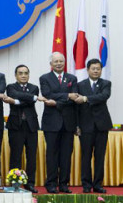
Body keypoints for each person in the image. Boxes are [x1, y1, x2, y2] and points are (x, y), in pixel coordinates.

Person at [39, 52, 78, 193]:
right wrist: (67, 95)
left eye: (61, 61)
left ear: (64, 62)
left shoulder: (72, 78)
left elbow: (75, 98)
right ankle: (50, 183)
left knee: (66, 155)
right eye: (55, 61)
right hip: (51, 123)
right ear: (51, 64)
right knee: (52, 155)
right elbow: (47, 94)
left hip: (68, 123)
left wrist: (56, 102)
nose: (58, 63)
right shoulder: (44, 78)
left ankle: (64, 184)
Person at [3, 65, 42, 193]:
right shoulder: (10, 87)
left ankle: (30, 183)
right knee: (16, 156)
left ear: (29, 75)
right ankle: (15, 183)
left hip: (31, 126)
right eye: (20, 73)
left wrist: (15, 101)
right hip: (16, 126)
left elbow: (29, 102)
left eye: (26, 73)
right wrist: (28, 97)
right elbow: (15, 94)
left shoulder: (34, 88)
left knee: (31, 156)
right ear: (16, 75)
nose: (23, 75)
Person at [77, 58, 112, 193]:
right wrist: (77, 125)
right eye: (93, 68)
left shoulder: (106, 83)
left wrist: (86, 98)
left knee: (99, 156)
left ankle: (98, 184)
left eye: (98, 69)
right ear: (88, 70)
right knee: (86, 156)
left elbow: (103, 96)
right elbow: (76, 108)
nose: (96, 71)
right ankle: (86, 185)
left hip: (101, 125)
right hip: (85, 126)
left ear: (101, 70)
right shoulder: (80, 85)